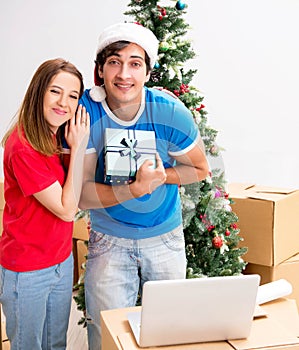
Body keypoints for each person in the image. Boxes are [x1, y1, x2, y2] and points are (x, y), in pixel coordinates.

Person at [77, 22, 209, 349]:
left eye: (135, 63)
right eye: (114, 62)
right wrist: (133, 189)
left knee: (170, 335)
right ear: (101, 70)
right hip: (109, 238)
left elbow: (200, 168)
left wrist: (162, 175)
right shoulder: (86, 111)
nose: (124, 74)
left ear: (148, 72)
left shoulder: (168, 111)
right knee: (106, 336)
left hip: (164, 238)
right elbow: (83, 194)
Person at [0, 58, 90, 350]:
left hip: (60, 262)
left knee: (55, 345)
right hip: (27, 272)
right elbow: (66, 210)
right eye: (55, 91)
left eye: (73, 96)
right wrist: (78, 148)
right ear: (38, 91)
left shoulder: (53, 138)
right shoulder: (23, 147)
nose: (63, 102)